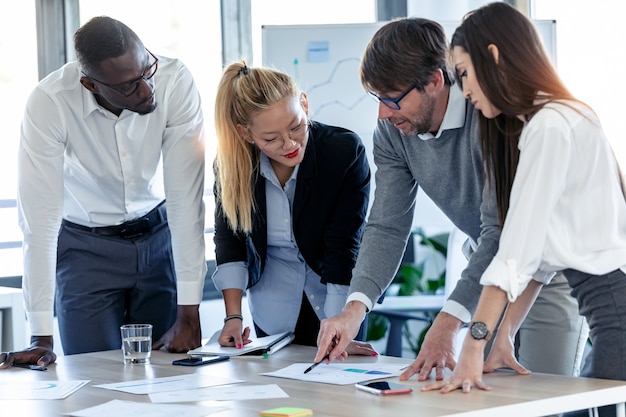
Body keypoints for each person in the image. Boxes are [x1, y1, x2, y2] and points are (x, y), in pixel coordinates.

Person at [314, 16, 588, 380]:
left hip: (554, 269)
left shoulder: (492, 112)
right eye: (377, 98)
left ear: (434, 81)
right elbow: (387, 225)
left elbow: (500, 228)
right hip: (491, 272)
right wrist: (355, 309)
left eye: (392, 98)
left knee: (546, 390)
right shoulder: (393, 130)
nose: (382, 112)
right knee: (494, 394)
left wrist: (449, 321)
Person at [423, 2, 626, 413]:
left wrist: (472, 347)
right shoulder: (561, 117)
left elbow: (515, 250)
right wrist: (503, 335)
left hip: (615, 311)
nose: (463, 90)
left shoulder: (551, 125)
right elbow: (543, 256)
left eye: (463, 73)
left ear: (494, 56)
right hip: (610, 309)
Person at [0, 16, 207, 368]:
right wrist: (40, 335)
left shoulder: (174, 80)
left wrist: (190, 312)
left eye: (146, 71)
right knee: (93, 373)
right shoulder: (50, 102)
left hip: (157, 240)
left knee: (166, 377)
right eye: (128, 86)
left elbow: (185, 199)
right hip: (85, 251)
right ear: (90, 84)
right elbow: (40, 220)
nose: (146, 90)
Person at [211, 61, 375, 354]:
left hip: (336, 296)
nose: (289, 144)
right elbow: (230, 243)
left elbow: (344, 246)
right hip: (272, 307)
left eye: (296, 126)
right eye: (271, 139)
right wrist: (233, 317)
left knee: (337, 389)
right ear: (246, 133)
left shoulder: (343, 152)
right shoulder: (233, 166)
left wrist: (339, 322)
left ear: (305, 104)